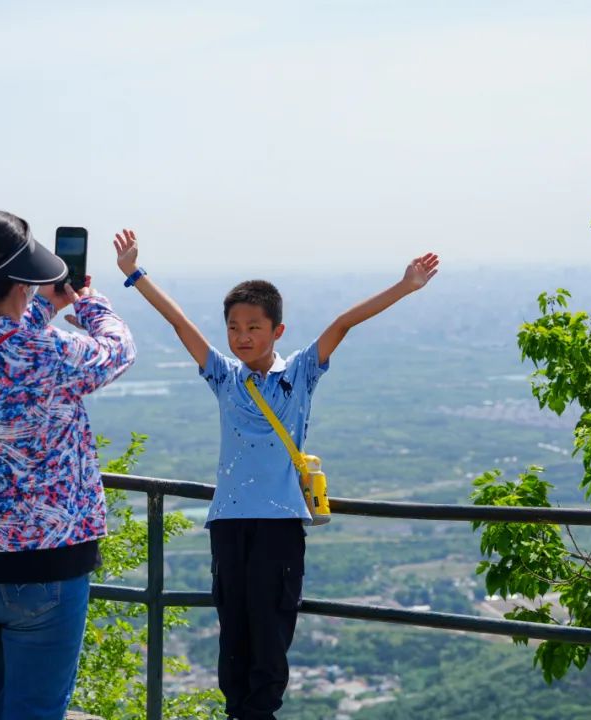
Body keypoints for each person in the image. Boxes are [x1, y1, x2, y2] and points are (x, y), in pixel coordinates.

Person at [113, 228, 438, 720]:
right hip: (227, 523)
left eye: (254, 327)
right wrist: (135, 273)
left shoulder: (299, 374)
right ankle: (236, 712)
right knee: (234, 632)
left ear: (277, 331)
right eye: (233, 328)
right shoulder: (225, 376)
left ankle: (259, 714)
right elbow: (180, 324)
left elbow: (343, 323)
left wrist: (406, 285)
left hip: (280, 524)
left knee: (270, 630)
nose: (242, 337)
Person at [0, 209, 135, 720]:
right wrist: (88, 302)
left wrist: (41, 308)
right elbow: (117, 349)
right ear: (22, 285)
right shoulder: (49, 354)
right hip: (43, 566)